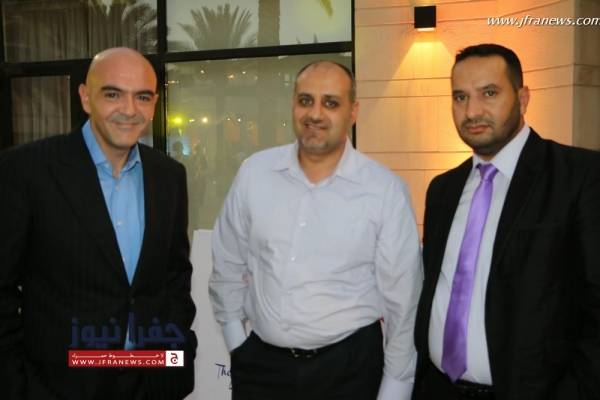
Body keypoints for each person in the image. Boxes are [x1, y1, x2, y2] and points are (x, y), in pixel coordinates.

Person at [209, 60, 423, 400]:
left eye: (331, 103)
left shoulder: (384, 190)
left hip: (349, 371)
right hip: (261, 368)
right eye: (305, 100)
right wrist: (237, 342)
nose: (315, 114)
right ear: (293, 104)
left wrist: (395, 388)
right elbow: (227, 261)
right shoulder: (255, 173)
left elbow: (403, 300)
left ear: (353, 112)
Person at [0, 47, 196, 400]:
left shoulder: (169, 176)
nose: (129, 110)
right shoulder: (25, 170)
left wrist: (175, 356)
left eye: (142, 97)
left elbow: (174, 277)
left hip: (150, 382)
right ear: (85, 97)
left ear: (154, 103)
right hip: (58, 385)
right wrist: (19, 386)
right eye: (113, 94)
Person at [412, 43, 600, 400]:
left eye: (489, 93)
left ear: (523, 98)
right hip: (438, 388)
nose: (472, 111)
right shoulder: (442, 190)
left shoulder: (579, 177)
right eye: (460, 97)